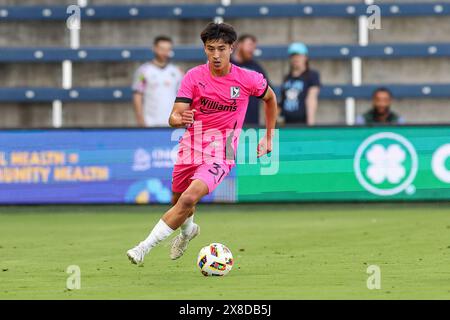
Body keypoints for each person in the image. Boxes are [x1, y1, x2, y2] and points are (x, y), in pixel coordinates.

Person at [126, 22, 278, 265]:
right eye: (210, 49)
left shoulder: (248, 78)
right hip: (191, 145)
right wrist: (179, 119)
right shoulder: (194, 77)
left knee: (188, 199)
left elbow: (270, 99)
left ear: (231, 48)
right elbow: (174, 116)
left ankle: (143, 247)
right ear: (205, 49)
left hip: (224, 148)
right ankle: (188, 231)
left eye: (221, 48)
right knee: (179, 201)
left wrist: (269, 136)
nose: (216, 55)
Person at [132, 36, 183, 127]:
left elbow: (183, 97)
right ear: (154, 48)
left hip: (172, 123)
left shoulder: (177, 71)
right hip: (150, 123)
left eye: (168, 49)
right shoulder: (143, 71)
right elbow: (137, 95)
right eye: (162, 49)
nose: (165, 52)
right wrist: (140, 119)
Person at [231, 34, 269, 126]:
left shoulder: (256, 68)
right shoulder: (227, 65)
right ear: (239, 44)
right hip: (230, 123)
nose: (252, 50)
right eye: (250, 45)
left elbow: (268, 93)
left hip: (252, 124)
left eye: (254, 47)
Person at [279, 42, 321, 126]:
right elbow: (282, 101)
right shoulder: (287, 78)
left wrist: (310, 124)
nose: (295, 58)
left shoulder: (312, 75)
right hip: (285, 123)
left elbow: (311, 99)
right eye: (293, 56)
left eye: (299, 55)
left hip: (302, 123)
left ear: (305, 57)